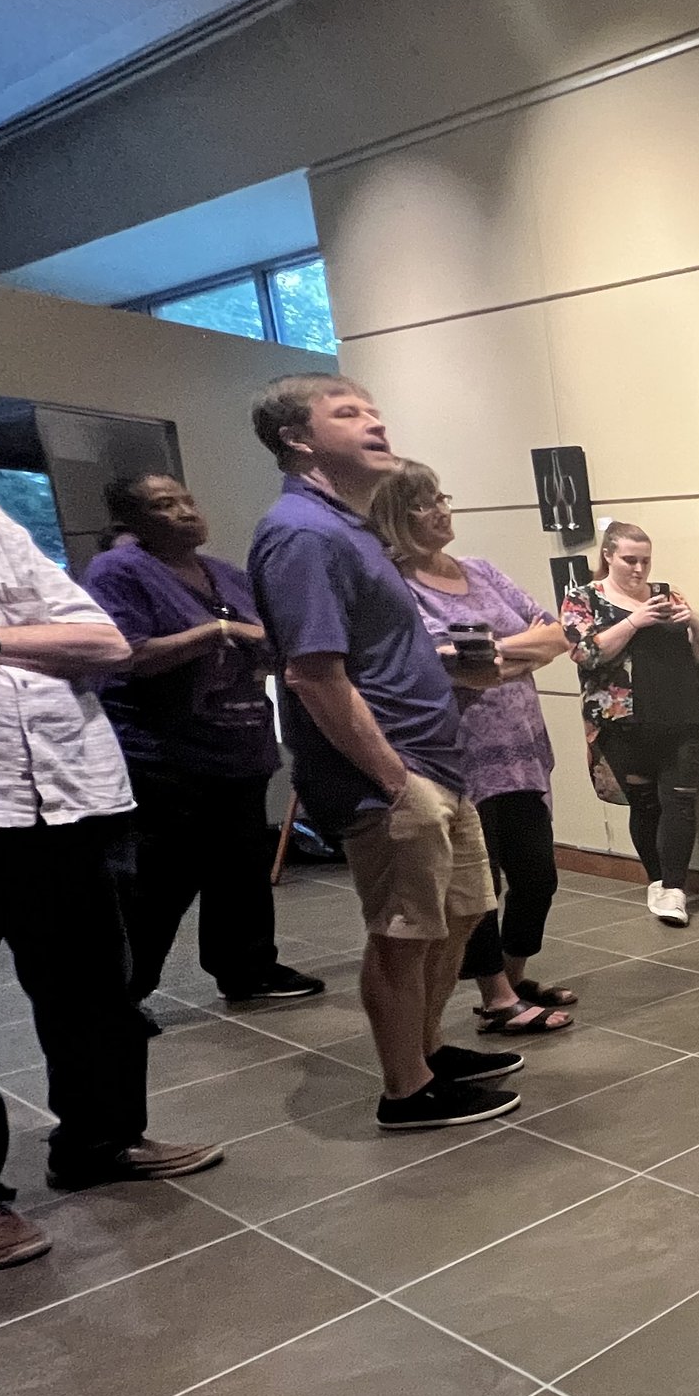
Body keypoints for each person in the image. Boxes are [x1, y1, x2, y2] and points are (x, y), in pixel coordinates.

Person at [246, 375, 523, 1131]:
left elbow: (370, 651)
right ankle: (406, 1089)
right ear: (298, 440)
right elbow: (311, 672)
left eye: (374, 409)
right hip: (393, 775)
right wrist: (394, 778)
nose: (374, 421)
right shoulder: (303, 532)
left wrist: (444, 667)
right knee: (404, 934)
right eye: (348, 413)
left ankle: (427, 1051)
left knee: (458, 916)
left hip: (436, 762)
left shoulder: (354, 528)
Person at [0, 473, 222, 1266]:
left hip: (65, 794)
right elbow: (77, 646)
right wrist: (34, 640)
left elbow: (105, 643)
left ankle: (102, 1138)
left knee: (93, 985)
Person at [84, 474, 325, 1023]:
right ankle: (121, 996)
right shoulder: (118, 571)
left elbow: (265, 638)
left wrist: (262, 647)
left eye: (186, 499)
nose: (184, 511)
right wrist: (219, 634)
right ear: (133, 522)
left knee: (240, 867)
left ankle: (248, 970)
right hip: (164, 756)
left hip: (238, 745)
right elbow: (124, 653)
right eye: (164, 505)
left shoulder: (225, 575)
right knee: (160, 880)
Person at [367, 460, 575, 1035]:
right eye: (423, 501)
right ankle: (497, 996)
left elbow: (557, 632)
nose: (441, 509)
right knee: (479, 887)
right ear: (392, 515)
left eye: (441, 496)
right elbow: (430, 664)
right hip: (455, 754)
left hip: (521, 747)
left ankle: (512, 974)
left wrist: (490, 658)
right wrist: (509, 655)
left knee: (537, 876)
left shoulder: (480, 570)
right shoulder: (393, 585)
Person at [561, 524, 699, 928]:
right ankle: (658, 881)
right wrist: (634, 621)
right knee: (645, 804)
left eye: (645, 560)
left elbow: (698, 656)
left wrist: (694, 624)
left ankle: (676, 889)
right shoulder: (583, 599)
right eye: (630, 559)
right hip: (624, 723)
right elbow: (585, 654)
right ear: (609, 555)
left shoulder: (666, 593)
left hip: (680, 714)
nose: (639, 568)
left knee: (680, 801)